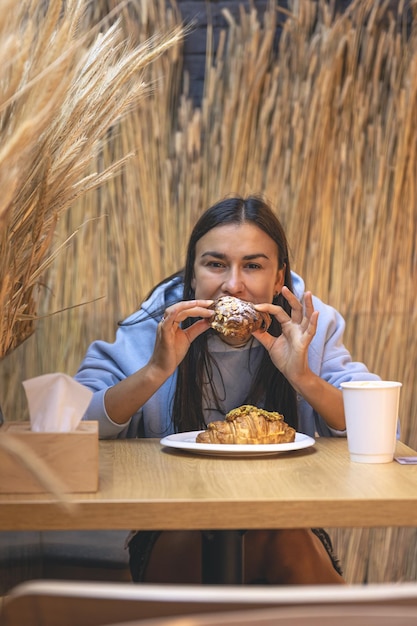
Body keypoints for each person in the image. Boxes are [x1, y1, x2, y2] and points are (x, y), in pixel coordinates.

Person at [74, 195, 380, 585]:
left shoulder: (309, 328)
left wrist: (302, 376)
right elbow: (76, 424)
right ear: (192, 274)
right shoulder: (152, 328)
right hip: (172, 521)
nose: (233, 285)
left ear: (278, 278)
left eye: (252, 266)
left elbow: (378, 424)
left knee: (280, 537)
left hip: (289, 520)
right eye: (216, 264)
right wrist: (156, 370)